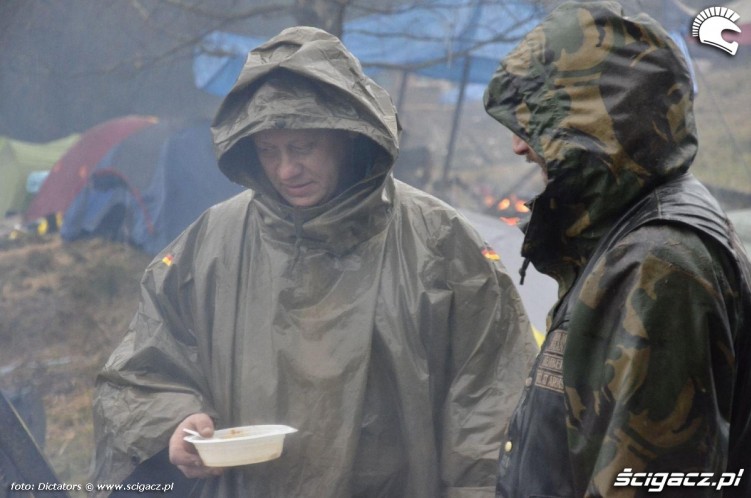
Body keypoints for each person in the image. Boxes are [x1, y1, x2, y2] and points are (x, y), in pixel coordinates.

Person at [91, 26, 537, 497]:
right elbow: (140, 371)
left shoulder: (438, 242)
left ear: (347, 137)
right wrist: (177, 421)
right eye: (268, 151)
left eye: (303, 147)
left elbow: (492, 402)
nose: (286, 170)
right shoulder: (211, 244)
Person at [483, 1, 751, 497]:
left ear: (598, 127)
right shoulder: (624, 235)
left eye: (538, 123)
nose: (519, 146)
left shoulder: (659, 261)